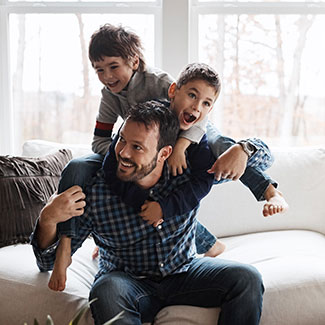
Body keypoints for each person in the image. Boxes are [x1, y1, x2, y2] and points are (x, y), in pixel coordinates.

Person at [49, 60, 288, 291]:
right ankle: (66, 245)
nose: (196, 107)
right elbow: (112, 169)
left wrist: (242, 149)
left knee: (224, 146)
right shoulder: (144, 126)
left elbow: (202, 183)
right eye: (192, 96)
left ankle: (270, 192)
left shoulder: (197, 139)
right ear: (173, 90)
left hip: (180, 258)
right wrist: (143, 203)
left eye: (206, 103)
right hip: (128, 263)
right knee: (78, 167)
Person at [31, 101, 265, 325]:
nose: (122, 153)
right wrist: (48, 219)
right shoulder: (96, 191)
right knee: (106, 291)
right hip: (126, 281)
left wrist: (243, 150)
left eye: (137, 147)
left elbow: (264, 162)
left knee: (247, 278)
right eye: (121, 140)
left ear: (164, 153)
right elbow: (47, 262)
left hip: (184, 271)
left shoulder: (186, 175)